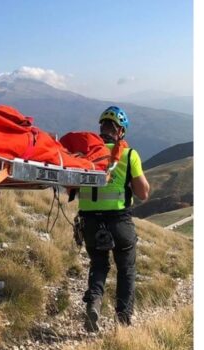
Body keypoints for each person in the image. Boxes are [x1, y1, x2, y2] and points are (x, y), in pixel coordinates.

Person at [78, 106, 150, 332]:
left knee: (99, 264)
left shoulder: (86, 154)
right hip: (119, 221)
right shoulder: (129, 155)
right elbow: (143, 193)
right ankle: (123, 320)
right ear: (121, 132)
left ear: (102, 128)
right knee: (126, 269)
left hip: (90, 221)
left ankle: (94, 303)